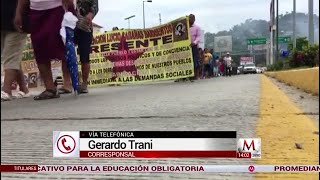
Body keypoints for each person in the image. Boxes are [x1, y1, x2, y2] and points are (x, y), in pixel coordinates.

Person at [61, 0, 99, 94]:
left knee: (84, 57)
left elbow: (95, 7)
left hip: (84, 27)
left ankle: (84, 84)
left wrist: (90, 15)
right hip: (69, 25)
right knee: (65, 55)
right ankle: (67, 83)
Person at [1, 0, 30, 101]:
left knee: (11, 57)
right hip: (4, 21)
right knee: (12, 56)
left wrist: (19, 14)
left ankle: (6, 91)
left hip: (16, 22)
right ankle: (23, 88)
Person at [189, 14, 201, 81]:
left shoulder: (197, 28)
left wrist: (194, 42)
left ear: (194, 19)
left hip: (194, 46)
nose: (190, 20)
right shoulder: (185, 27)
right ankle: (185, 75)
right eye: (189, 18)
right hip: (186, 47)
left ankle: (194, 75)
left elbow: (199, 37)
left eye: (191, 19)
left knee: (194, 61)